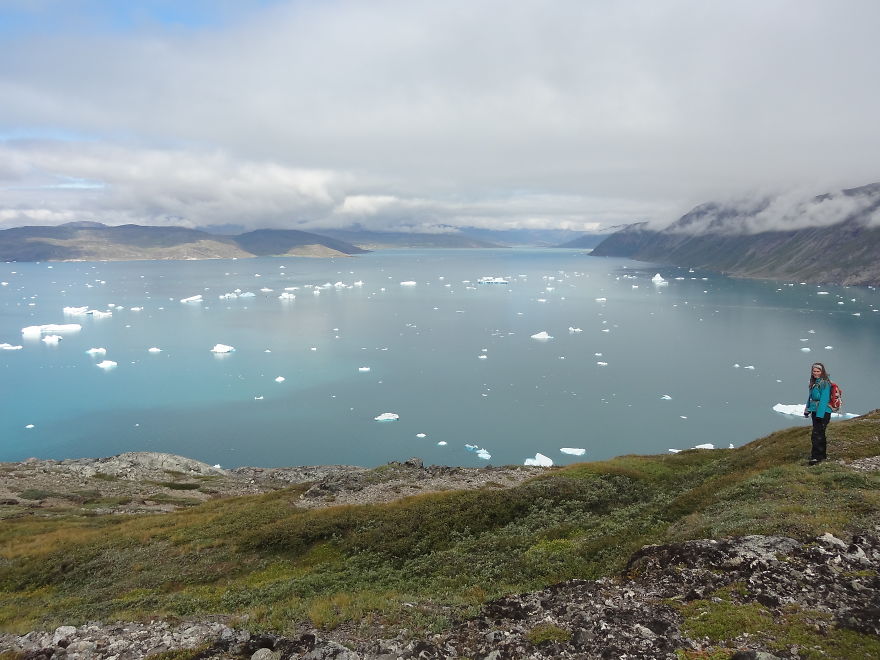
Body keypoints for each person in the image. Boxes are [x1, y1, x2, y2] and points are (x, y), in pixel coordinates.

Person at [803, 362, 831, 465]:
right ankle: (821, 455)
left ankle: (816, 457)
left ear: (822, 372)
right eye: (814, 371)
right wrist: (807, 409)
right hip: (816, 411)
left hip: (823, 412)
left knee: (816, 434)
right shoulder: (813, 383)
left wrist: (820, 415)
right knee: (820, 433)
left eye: (818, 371)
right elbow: (810, 398)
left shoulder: (825, 383)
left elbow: (824, 400)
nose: (815, 373)